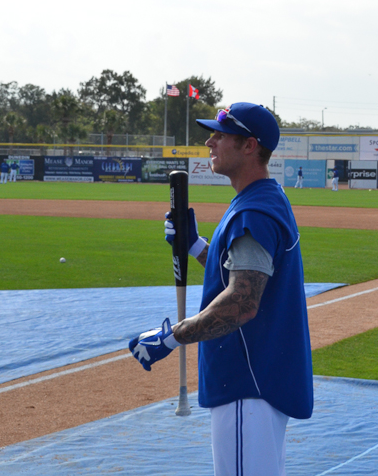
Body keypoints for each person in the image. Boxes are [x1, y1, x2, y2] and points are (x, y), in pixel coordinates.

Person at [129, 102, 312, 476]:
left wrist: (170, 338)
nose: (210, 141)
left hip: (248, 382)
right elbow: (240, 272)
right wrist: (194, 245)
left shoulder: (254, 212)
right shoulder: (260, 200)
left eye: (221, 135)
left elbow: (242, 302)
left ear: (249, 146)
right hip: (256, 380)